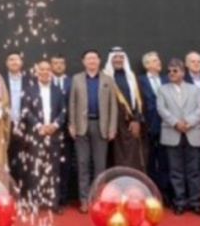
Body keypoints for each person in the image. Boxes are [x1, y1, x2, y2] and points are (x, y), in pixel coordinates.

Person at [69, 49, 118, 213]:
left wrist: (112, 127)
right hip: (81, 126)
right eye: (88, 59)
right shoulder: (76, 79)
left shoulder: (108, 79)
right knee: (82, 164)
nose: (91, 61)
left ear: (99, 60)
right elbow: (72, 103)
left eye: (94, 58)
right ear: (83, 62)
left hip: (101, 126)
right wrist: (71, 124)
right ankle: (84, 200)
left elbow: (113, 106)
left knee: (100, 165)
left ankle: (97, 199)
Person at [157, 59, 200, 215]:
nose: (171, 73)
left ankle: (195, 201)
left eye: (175, 71)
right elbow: (161, 109)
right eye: (169, 71)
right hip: (172, 132)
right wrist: (176, 123)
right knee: (175, 170)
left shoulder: (194, 89)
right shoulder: (162, 89)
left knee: (194, 170)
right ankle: (180, 201)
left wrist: (188, 122)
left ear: (183, 73)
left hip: (192, 132)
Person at [22, 59, 67, 212]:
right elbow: (26, 111)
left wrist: (54, 125)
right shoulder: (29, 90)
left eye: (47, 69)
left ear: (51, 72)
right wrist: (39, 126)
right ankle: (34, 202)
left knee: (54, 169)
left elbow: (64, 111)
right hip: (36, 134)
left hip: (54, 134)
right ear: (37, 72)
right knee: (34, 169)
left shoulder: (58, 90)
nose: (45, 72)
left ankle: (54, 203)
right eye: (42, 69)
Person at [104, 47, 148, 172]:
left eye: (121, 57)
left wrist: (137, 120)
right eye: (115, 57)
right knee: (115, 159)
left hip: (131, 124)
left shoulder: (131, 76)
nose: (118, 60)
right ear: (110, 60)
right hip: (114, 126)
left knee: (134, 159)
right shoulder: (105, 76)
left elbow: (139, 100)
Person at [138, 51, 171, 205]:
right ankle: (151, 192)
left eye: (157, 60)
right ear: (146, 65)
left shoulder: (166, 79)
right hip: (149, 127)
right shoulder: (140, 81)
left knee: (165, 161)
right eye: (154, 60)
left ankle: (165, 193)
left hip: (168, 126)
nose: (158, 62)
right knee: (150, 161)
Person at [4, 52, 32, 198]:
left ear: (21, 63)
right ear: (6, 63)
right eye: (11, 59)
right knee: (6, 161)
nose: (14, 62)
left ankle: (24, 196)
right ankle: (8, 194)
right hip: (4, 126)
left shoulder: (30, 80)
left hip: (25, 126)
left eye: (17, 59)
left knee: (25, 162)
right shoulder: (0, 80)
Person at [50, 54, 75, 208]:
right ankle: (50, 197)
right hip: (48, 129)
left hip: (67, 130)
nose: (58, 66)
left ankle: (62, 198)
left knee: (65, 165)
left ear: (65, 65)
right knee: (49, 165)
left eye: (61, 63)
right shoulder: (44, 81)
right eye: (55, 63)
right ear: (51, 65)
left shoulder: (72, 82)